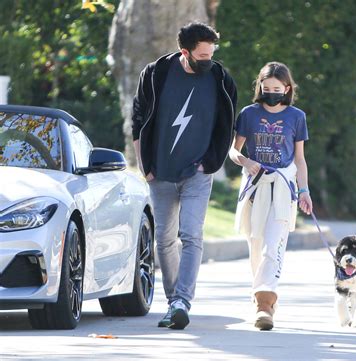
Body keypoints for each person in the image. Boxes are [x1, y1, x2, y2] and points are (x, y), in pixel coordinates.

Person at [132, 22, 237, 330]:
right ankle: (173, 300)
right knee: (164, 239)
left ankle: (182, 301)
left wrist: (212, 162)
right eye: (202, 55)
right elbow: (138, 118)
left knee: (191, 235)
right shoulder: (156, 74)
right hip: (160, 172)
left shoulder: (219, 78)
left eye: (211, 53)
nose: (208, 60)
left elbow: (227, 123)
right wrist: (143, 164)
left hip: (197, 172)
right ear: (185, 52)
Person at [229, 62, 312, 331]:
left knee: (272, 245)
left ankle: (265, 304)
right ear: (260, 87)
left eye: (277, 88)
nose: (271, 92)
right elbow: (233, 150)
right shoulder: (249, 114)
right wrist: (244, 161)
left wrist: (304, 191)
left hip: (282, 190)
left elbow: (299, 159)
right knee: (256, 244)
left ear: (287, 88)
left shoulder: (296, 117)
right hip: (256, 187)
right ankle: (261, 297)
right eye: (267, 88)